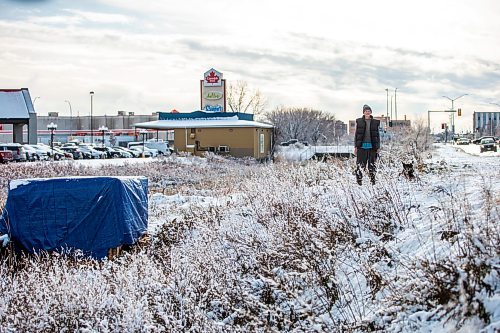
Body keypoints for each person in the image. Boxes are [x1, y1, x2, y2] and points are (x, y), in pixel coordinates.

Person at [354, 104, 380, 185]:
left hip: (372, 147)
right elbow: (356, 135)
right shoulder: (359, 121)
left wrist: (378, 147)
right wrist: (355, 146)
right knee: (360, 165)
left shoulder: (375, 122)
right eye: (366, 111)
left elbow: (377, 135)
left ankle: (373, 181)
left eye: (368, 111)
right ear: (363, 112)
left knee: (372, 165)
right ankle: (359, 182)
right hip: (361, 147)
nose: (367, 112)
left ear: (371, 112)